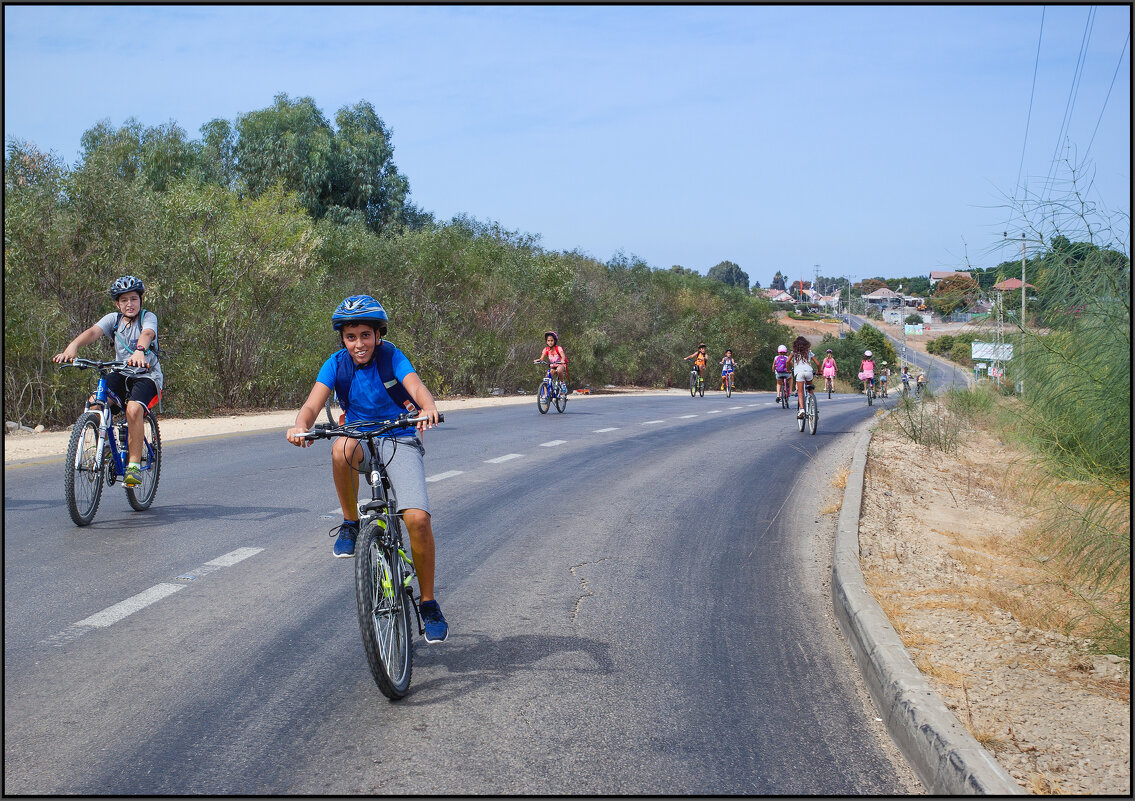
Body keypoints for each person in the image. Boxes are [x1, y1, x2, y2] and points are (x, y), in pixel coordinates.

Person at [285, 295, 449, 643]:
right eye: (350, 337)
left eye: (365, 335)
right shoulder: (336, 364)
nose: (358, 344)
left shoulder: (391, 356)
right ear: (342, 339)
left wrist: (429, 406)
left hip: (400, 436)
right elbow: (312, 404)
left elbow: (416, 386)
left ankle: (429, 602)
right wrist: (300, 426)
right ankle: (350, 523)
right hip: (359, 436)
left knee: (417, 519)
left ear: (378, 334)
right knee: (338, 448)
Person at [52, 275, 163, 488]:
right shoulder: (113, 319)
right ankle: (105, 444)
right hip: (121, 372)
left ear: (140, 300)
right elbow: (94, 332)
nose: (129, 304)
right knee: (95, 403)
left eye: (133, 299)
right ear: (117, 303)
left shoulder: (148, 318)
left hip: (146, 375)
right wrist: (72, 347)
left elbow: (148, 334)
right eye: (124, 300)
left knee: (133, 410)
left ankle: (133, 467)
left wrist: (140, 351)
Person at [788, 336, 822, 418]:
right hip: (809, 372)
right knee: (810, 389)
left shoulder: (794, 353)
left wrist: (787, 369)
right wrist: (819, 371)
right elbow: (817, 363)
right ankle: (813, 408)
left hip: (799, 373)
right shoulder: (808, 352)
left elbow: (787, 361)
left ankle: (802, 409)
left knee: (800, 392)